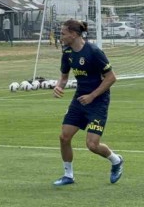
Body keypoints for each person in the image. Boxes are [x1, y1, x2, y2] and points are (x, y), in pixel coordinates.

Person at [52, 19, 123, 186]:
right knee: (64, 137)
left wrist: (92, 95)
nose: (60, 37)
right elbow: (64, 77)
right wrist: (59, 86)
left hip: (98, 101)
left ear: (73, 34)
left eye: (63, 34)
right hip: (79, 100)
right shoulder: (67, 53)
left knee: (92, 144)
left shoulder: (94, 52)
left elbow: (111, 78)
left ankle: (116, 160)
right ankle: (68, 175)